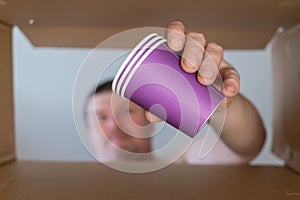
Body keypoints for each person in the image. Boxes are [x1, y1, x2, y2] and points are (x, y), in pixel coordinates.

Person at [85, 21, 266, 164]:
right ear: (88, 134)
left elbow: (246, 148)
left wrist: (215, 103)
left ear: (150, 121)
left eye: (127, 112)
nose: (115, 124)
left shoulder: (185, 165)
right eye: (101, 117)